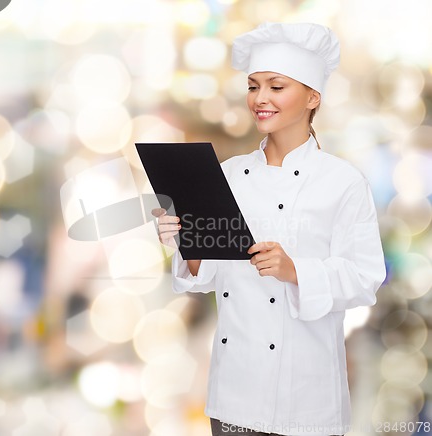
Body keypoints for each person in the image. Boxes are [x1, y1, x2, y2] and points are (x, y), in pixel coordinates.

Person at [153, 22, 386, 436]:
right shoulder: (228, 176)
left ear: (313, 96)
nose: (260, 99)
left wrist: (295, 270)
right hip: (234, 397)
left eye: (276, 87)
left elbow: (365, 278)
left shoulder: (343, 182)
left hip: (309, 397)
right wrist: (187, 241)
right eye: (253, 86)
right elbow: (206, 277)